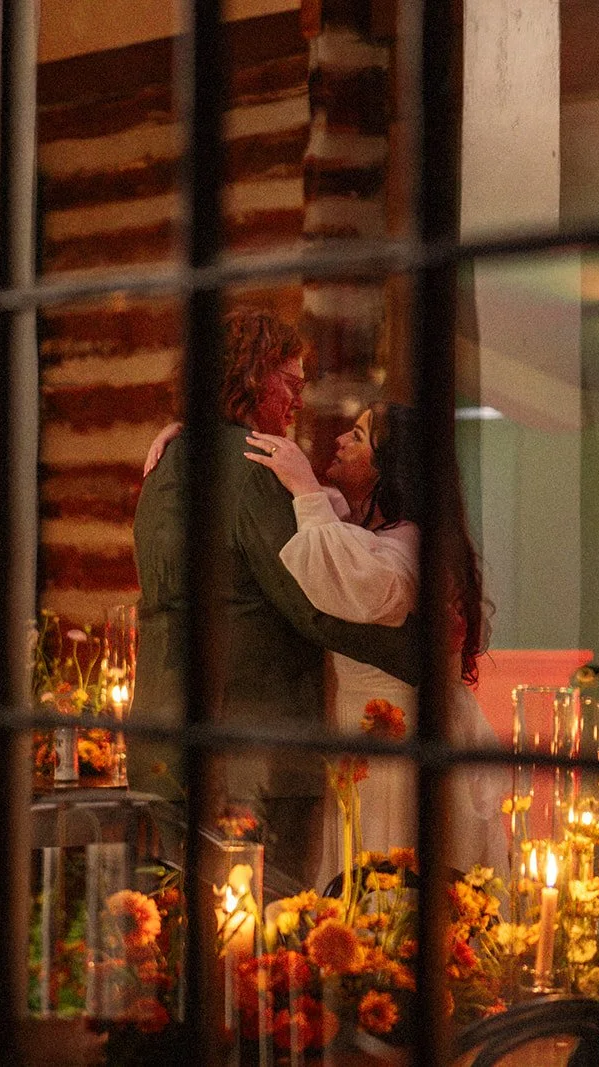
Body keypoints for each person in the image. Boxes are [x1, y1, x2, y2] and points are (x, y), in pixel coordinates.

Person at [129, 310, 423, 886]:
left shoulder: (165, 466)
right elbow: (308, 600)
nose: (299, 397)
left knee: (176, 929)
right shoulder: (250, 465)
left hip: (160, 739)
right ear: (253, 377)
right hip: (248, 760)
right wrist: (420, 654)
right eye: (290, 381)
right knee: (261, 945)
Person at [242, 402, 503, 875]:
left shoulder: (409, 543)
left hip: (397, 748)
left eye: (359, 437)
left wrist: (303, 486)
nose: (340, 439)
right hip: (368, 740)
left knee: (387, 885)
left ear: (390, 470)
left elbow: (349, 583)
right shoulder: (369, 530)